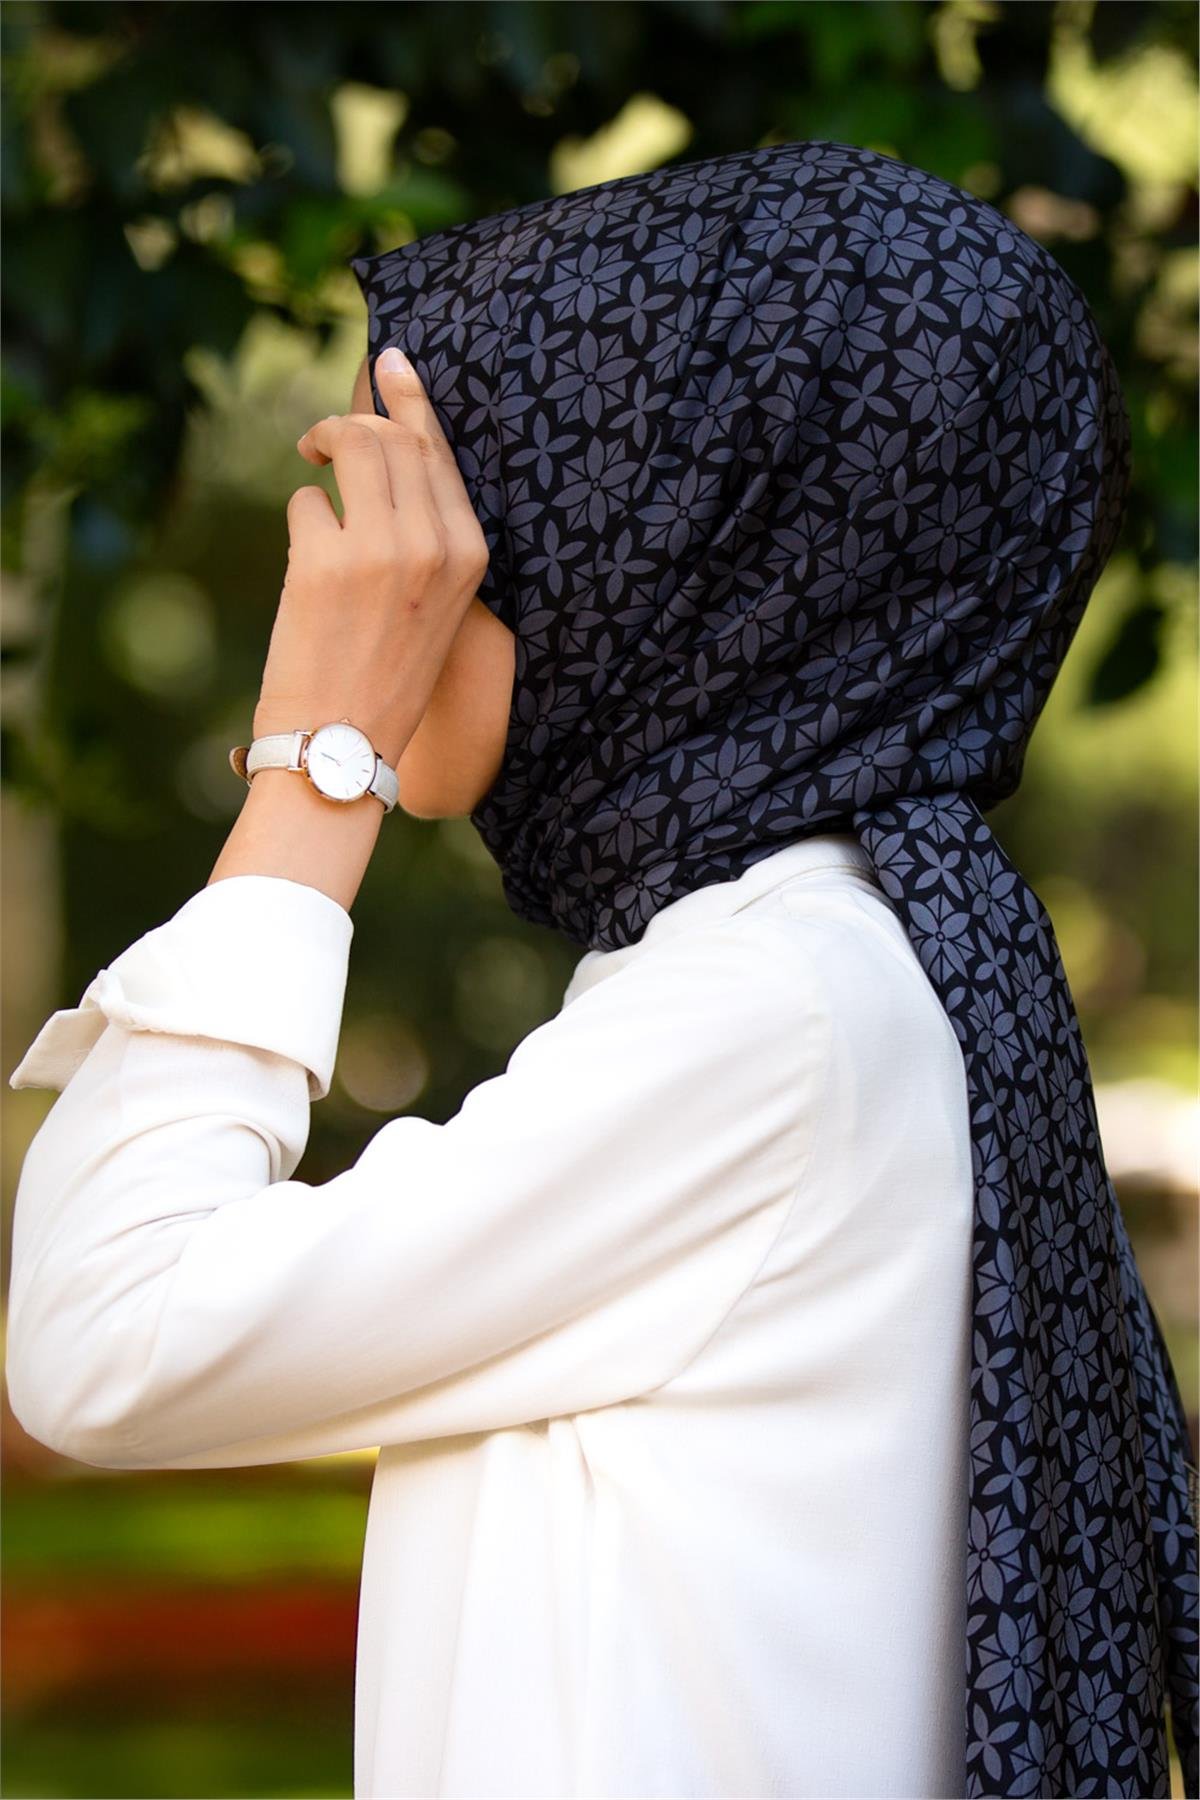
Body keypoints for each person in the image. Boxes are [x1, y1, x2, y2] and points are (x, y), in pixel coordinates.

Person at [6, 139, 1196, 1800]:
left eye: (448, 526)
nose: (377, 580)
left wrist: (317, 756)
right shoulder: (838, 964)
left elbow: (104, 1334)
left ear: (652, 569)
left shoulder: (775, 1018)